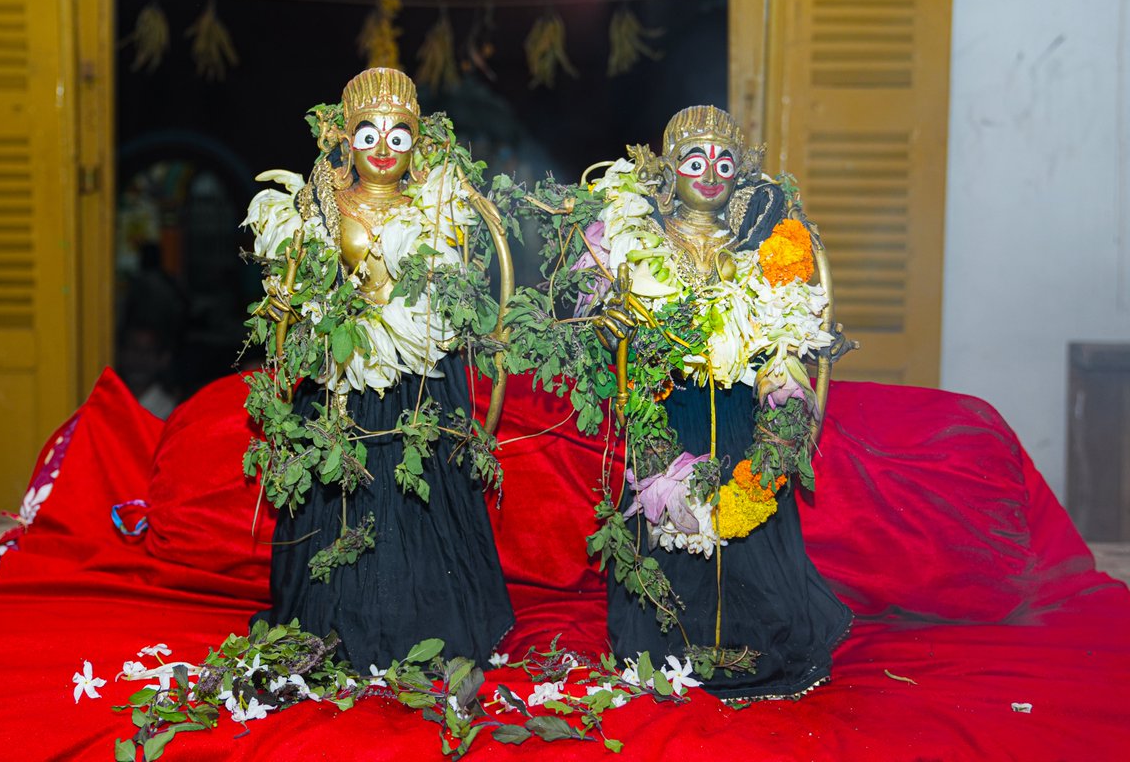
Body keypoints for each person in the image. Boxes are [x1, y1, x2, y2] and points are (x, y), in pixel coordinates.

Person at [576, 105, 852, 699]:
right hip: (667, 410)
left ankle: (756, 646)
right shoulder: (639, 239)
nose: (709, 173)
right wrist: (614, 326)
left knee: (751, 531)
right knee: (668, 527)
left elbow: (786, 333)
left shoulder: (761, 244)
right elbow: (606, 333)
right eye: (694, 161)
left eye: (723, 163)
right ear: (669, 171)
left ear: (740, 174)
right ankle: (666, 648)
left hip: (738, 412)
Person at [243, 68, 514, 669]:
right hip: (344, 366)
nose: (384, 150)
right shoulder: (321, 204)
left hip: (421, 367)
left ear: (418, 142)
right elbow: (299, 282)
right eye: (369, 135)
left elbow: (464, 285)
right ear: (345, 139)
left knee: (420, 492)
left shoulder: (437, 201)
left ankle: (429, 621)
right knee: (336, 496)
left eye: (399, 136)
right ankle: (334, 622)